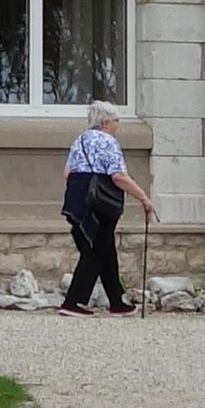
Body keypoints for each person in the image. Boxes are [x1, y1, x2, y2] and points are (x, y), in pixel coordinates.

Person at [54, 101, 153, 315]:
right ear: (106, 122)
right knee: (95, 251)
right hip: (100, 202)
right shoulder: (108, 141)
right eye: (117, 120)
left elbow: (67, 173)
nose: (118, 125)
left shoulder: (80, 140)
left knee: (104, 248)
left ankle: (117, 301)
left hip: (76, 200)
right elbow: (118, 176)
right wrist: (144, 198)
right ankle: (73, 302)